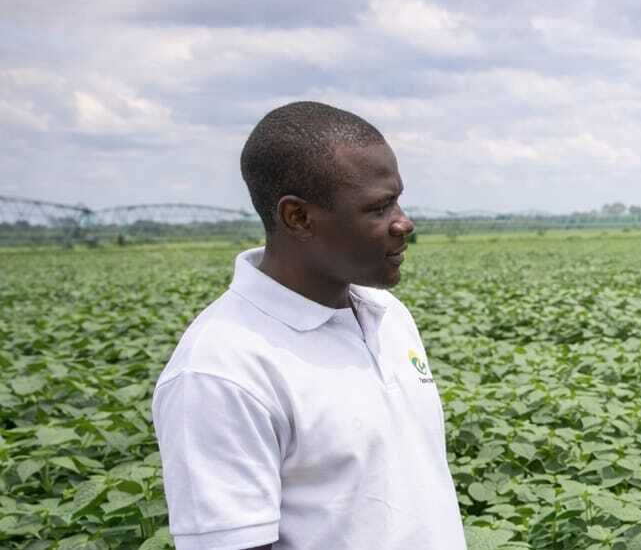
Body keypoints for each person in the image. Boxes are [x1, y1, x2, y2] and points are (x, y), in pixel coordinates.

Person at [152, 101, 466, 550]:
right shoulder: (221, 370)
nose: (404, 222)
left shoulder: (388, 315)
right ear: (297, 217)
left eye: (397, 198)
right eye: (378, 208)